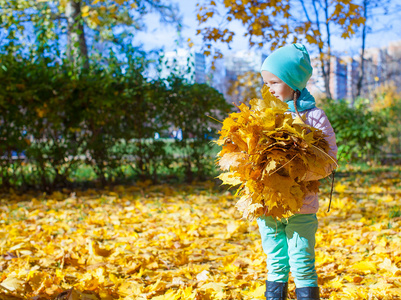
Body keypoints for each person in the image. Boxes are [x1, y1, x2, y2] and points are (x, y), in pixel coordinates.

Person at [257, 44, 338, 300]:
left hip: (302, 204)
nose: (269, 88)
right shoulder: (265, 115)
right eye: (266, 82)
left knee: (302, 261)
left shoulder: (314, 117)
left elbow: (329, 160)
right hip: (268, 204)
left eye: (274, 81)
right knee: (275, 261)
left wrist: (298, 174)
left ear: (292, 81)